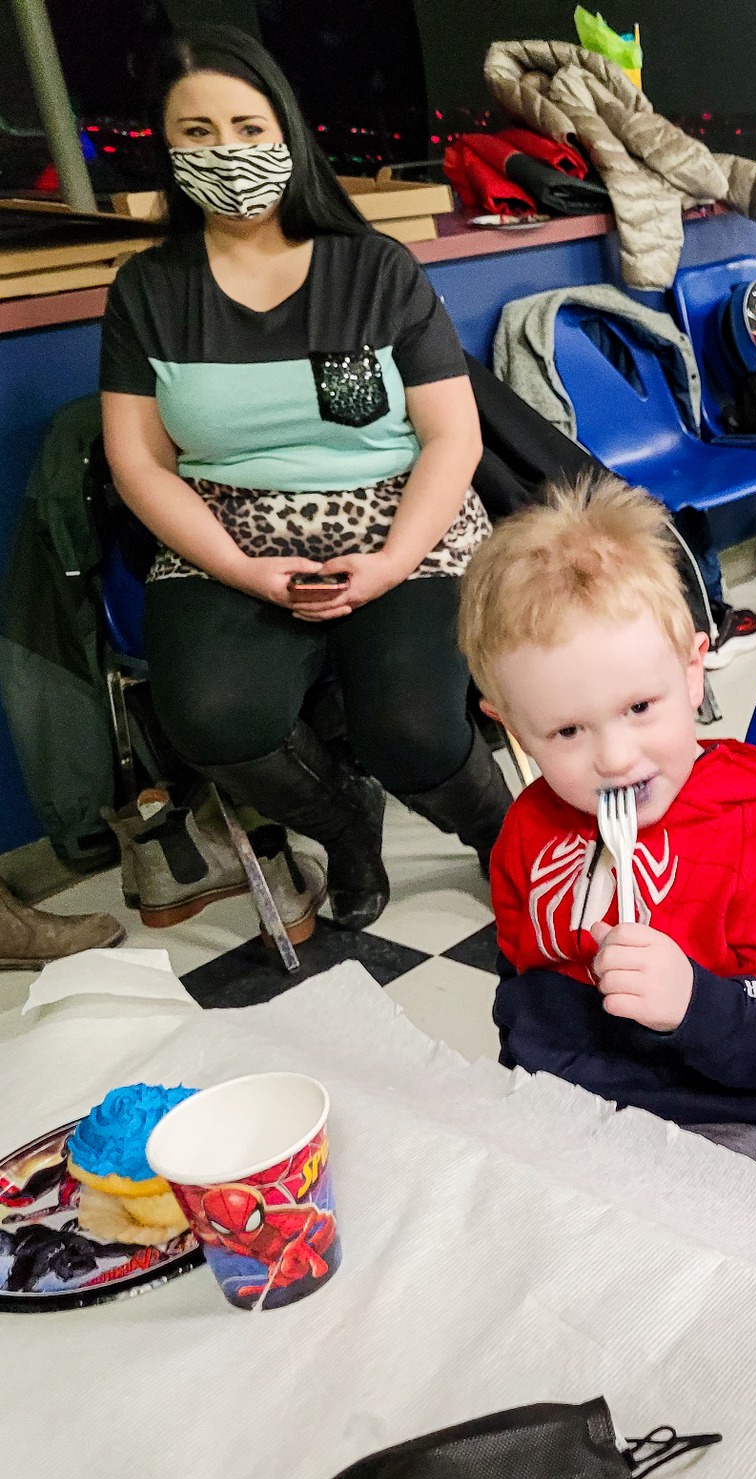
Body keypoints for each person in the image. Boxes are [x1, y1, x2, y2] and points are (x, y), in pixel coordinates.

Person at [99, 27, 510, 932]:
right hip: (223, 534)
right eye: (198, 132)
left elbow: (452, 436)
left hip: (401, 520)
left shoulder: (375, 270)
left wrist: (393, 561)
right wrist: (242, 569)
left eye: (249, 128)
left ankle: (504, 837)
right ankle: (346, 828)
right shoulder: (148, 290)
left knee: (413, 730)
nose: (227, 153)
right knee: (213, 720)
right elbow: (139, 462)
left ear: (287, 131)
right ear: (166, 148)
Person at [460, 476, 756, 1196]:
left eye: (640, 706)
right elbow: (521, 985)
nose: (615, 758)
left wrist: (694, 1002)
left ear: (693, 668)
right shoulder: (526, 828)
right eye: (567, 731)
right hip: (564, 1109)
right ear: (512, 727)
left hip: (726, 1124)